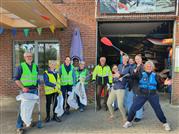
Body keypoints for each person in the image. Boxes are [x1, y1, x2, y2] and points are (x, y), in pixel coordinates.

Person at [123, 61, 171, 131]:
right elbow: (131, 77)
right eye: (147, 66)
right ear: (145, 67)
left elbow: (160, 88)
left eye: (150, 66)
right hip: (142, 94)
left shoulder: (156, 76)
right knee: (133, 108)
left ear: (152, 67)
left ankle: (165, 123)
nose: (149, 67)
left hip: (153, 95)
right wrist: (122, 75)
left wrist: (165, 84)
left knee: (158, 109)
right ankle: (128, 121)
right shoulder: (140, 74)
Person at [14, 52, 39, 134]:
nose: (29, 57)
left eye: (30, 56)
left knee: (30, 107)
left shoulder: (35, 66)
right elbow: (16, 79)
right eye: (27, 56)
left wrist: (38, 84)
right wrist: (22, 87)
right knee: (23, 109)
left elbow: (36, 77)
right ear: (24, 57)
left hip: (34, 89)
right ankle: (19, 126)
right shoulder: (20, 66)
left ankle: (28, 121)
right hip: (25, 90)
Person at [127, 55, 144, 122]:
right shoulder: (134, 66)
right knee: (129, 101)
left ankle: (138, 116)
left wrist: (135, 73)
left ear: (141, 59)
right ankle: (130, 113)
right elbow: (131, 75)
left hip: (139, 87)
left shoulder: (144, 67)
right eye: (136, 59)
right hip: (132, 86)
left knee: (138, 102)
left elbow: (141, 77)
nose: (137, 60)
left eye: (138, 59)